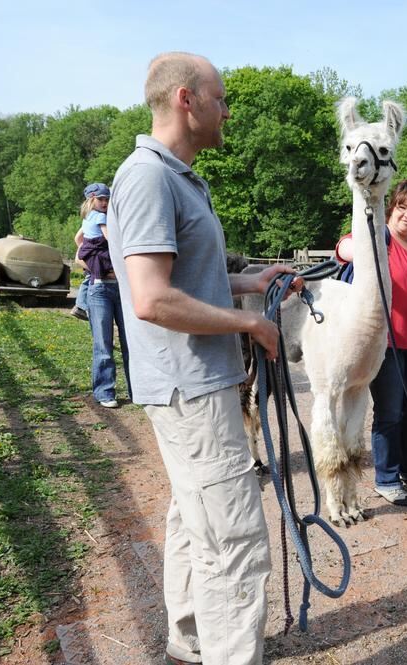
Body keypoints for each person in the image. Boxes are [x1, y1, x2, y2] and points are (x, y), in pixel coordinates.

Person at [106, 52, 299, 665]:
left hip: (196, 383)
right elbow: (152, 298)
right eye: (219, 98)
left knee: (195, 522)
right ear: (186, 99)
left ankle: (190, 642)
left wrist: (252, 282)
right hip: (191, 387)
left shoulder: (180, 178)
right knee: (235, 539)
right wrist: (250, 322)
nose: (227, 110)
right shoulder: (147, 178)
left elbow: (189, 277)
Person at [336, 180, 407, 507]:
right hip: (384, 346)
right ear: (391, 208)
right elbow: (343, 247)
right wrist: (363, 251)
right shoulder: (378, 239)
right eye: (402, 207)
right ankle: (386, 477)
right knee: (391, 413)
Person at [76, 183, 130, 408]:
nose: (105, 202)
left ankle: (139, 390)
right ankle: (105, 392)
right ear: (91, 200)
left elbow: (78, 240)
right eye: (101, 199)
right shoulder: (98, 219)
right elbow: (82, 247)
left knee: (131, 342)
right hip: (100, 288)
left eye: (107, 198)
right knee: (103, 343)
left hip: (121, 288)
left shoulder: (101, 218)